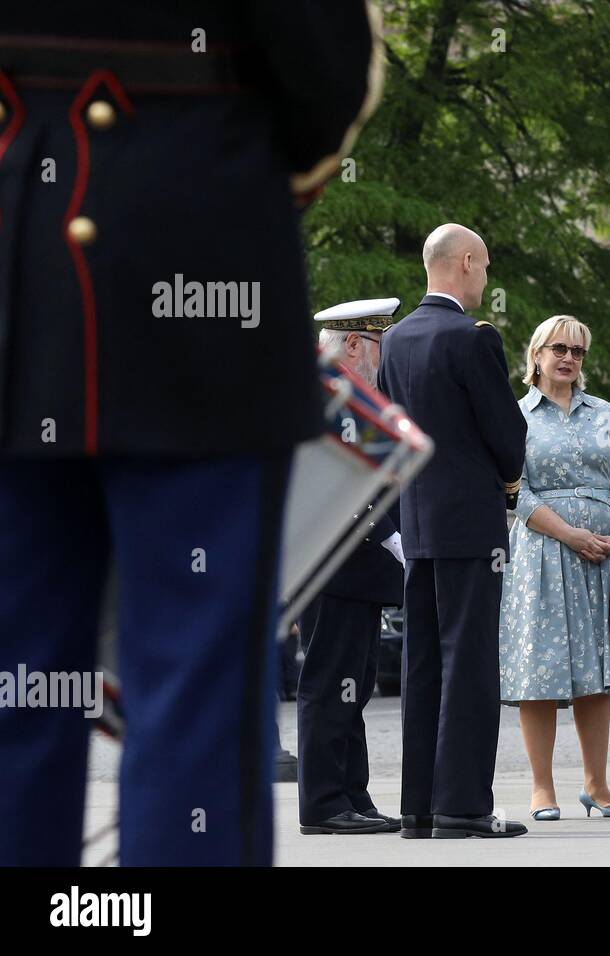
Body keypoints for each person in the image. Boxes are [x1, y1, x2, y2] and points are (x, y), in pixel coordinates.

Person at [0, 2, 382, 866]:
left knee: (16, 684)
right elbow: (324, 77)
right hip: (195, 248)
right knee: (193, 691)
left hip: (14, 257)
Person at [377, 224, 528, 840]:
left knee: (423, 666)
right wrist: (509, 479)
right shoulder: (472, 337)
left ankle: (418, 809)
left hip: (418, 525)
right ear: (465, 263)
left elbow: (390, 438)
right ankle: (462, 808)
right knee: (469, 664)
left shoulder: (395, 340)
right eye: (485, 267)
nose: (486, 278)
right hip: (470, 523)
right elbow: (507, 438)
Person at [499, 315, 610, 821]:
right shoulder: (516, 416)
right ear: (536, 354)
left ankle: (597, 784)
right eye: (558, 348)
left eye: (578, 351)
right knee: (541, 671)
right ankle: (542, 788)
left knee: (598, 674)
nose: (568, 358)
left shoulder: (603, 412)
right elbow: (516, 492)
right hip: (542, 553)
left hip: (604, 557)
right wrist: (571, 534)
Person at [296, 298, 406, 835]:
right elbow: (345, 484)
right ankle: (322, 804)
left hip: (354, 570)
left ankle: (352, 795)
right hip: (335, 567)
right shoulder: (330, 395)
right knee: (329, 681)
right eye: (379, 347)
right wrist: (390, 536)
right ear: (357, 344)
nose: (384, 361)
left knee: (353, 684)